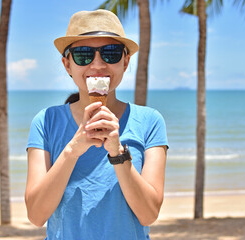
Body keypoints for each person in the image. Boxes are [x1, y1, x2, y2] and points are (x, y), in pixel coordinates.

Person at [25, 9, 169, 240]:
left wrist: (117, 152)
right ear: (67, 64)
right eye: (83, 55)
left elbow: (148, 214)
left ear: (125, 61)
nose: (98, 64)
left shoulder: (150, 121)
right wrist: (72, 150)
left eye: (111, 53)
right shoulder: (46, 121)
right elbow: (36, 215)